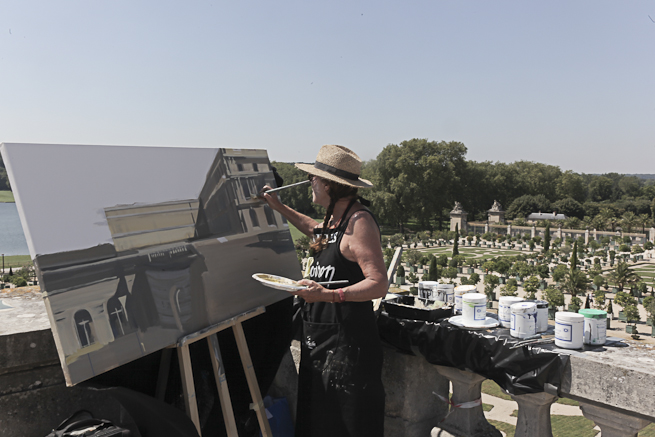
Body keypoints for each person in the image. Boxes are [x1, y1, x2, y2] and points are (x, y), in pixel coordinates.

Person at [260, 144, 387, 437]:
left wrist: (328, 295)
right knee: (317, 422)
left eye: (313, 179)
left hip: (349, 349)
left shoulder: (360, 221)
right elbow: (316, 231)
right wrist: (278, 206)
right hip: (320, 342)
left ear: (329, 184)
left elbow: (379, 283)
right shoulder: (335, 220)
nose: (310, 184)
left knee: (346, 425)